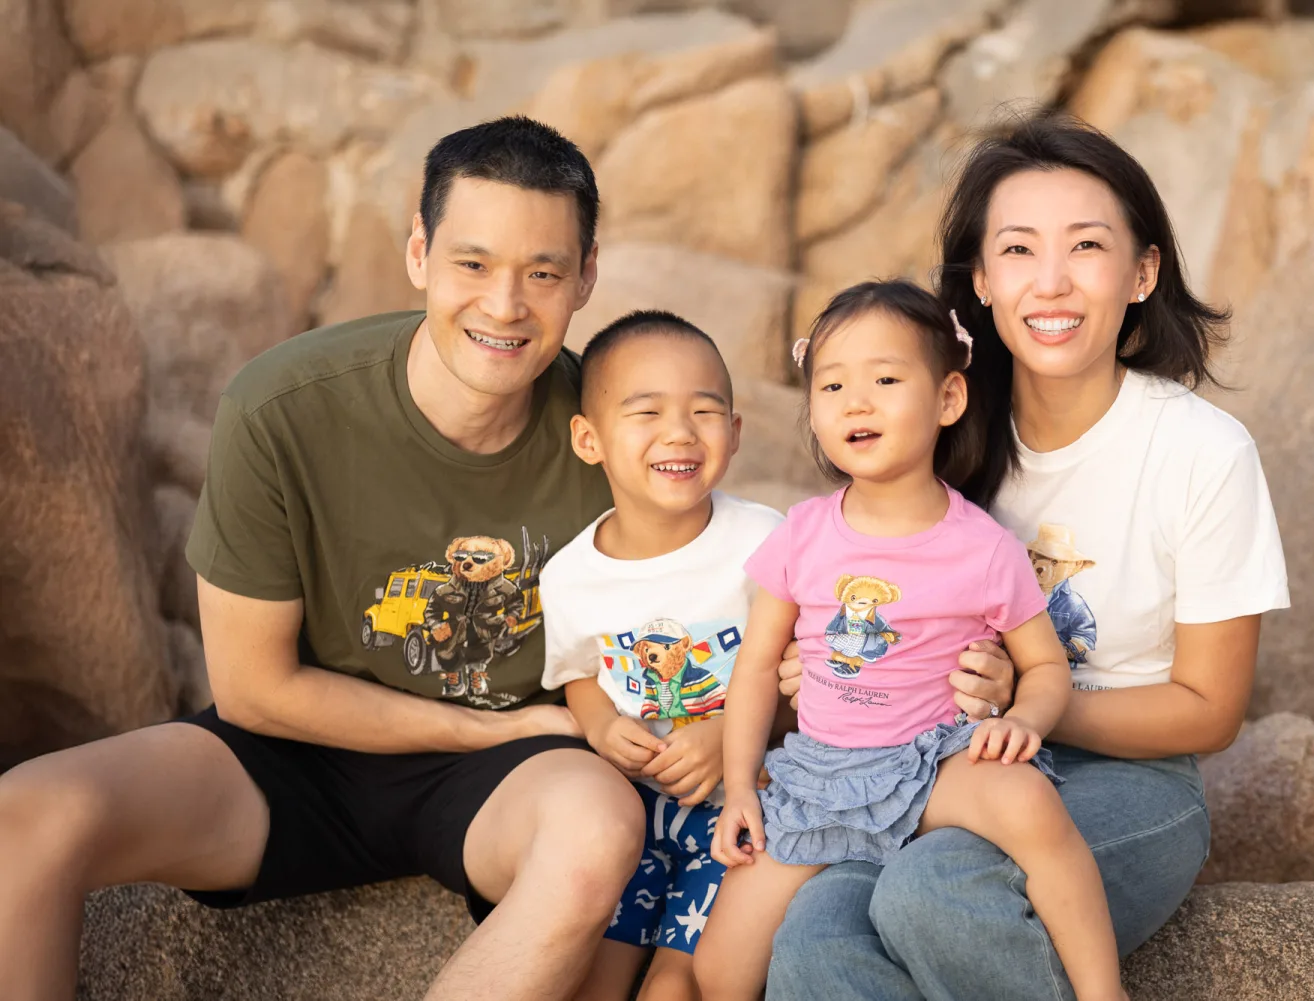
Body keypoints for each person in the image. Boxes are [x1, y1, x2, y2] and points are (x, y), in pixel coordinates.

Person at [0, 117, 647, 1001]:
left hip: (508, 776)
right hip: (300, 753)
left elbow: (720, 582)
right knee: (30, 812)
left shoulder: (614, 431)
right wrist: (482, 725)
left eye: (543, 273)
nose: (504, 305)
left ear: (586, 277)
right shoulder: (282, 407)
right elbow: (257, 689)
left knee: (598, 833)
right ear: (418, 252)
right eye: (473, 264)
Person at [766, 111, 1290, 1000]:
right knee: (813, 936)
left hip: (1127, 779)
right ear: (979, 279)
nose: (1051, 282)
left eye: (1087, 246)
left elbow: (1209, 710)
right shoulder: (936, 429)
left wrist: (1028, 702)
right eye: (1017, 251)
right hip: (927, 769)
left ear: (1142, 271)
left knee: (936, 891)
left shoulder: (1203, 451)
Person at [696, 280, 1127, 1001]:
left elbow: (1046, 664)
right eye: (832, 385)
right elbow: (757, 668)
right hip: (818, 780)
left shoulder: (984, 547)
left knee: (1029, 805)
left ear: (948, 400)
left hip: (933, 763)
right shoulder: (801, 533)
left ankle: (1100, 989)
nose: (855, 402)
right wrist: (741, 783)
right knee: (720, 968)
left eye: (886, 379)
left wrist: (1024, 719)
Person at [537, 310, 784, 1001]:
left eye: (704, 412)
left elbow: (801, 674)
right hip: (631, 808)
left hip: (741, 807)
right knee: (601, 966)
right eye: (646, 412)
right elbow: (580, 673)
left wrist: (729, 731)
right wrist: (597, 725)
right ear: (589, 439)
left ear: (733, 433)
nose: (679, 432)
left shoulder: (764, 542)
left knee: (677, 981)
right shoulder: (570, 576)